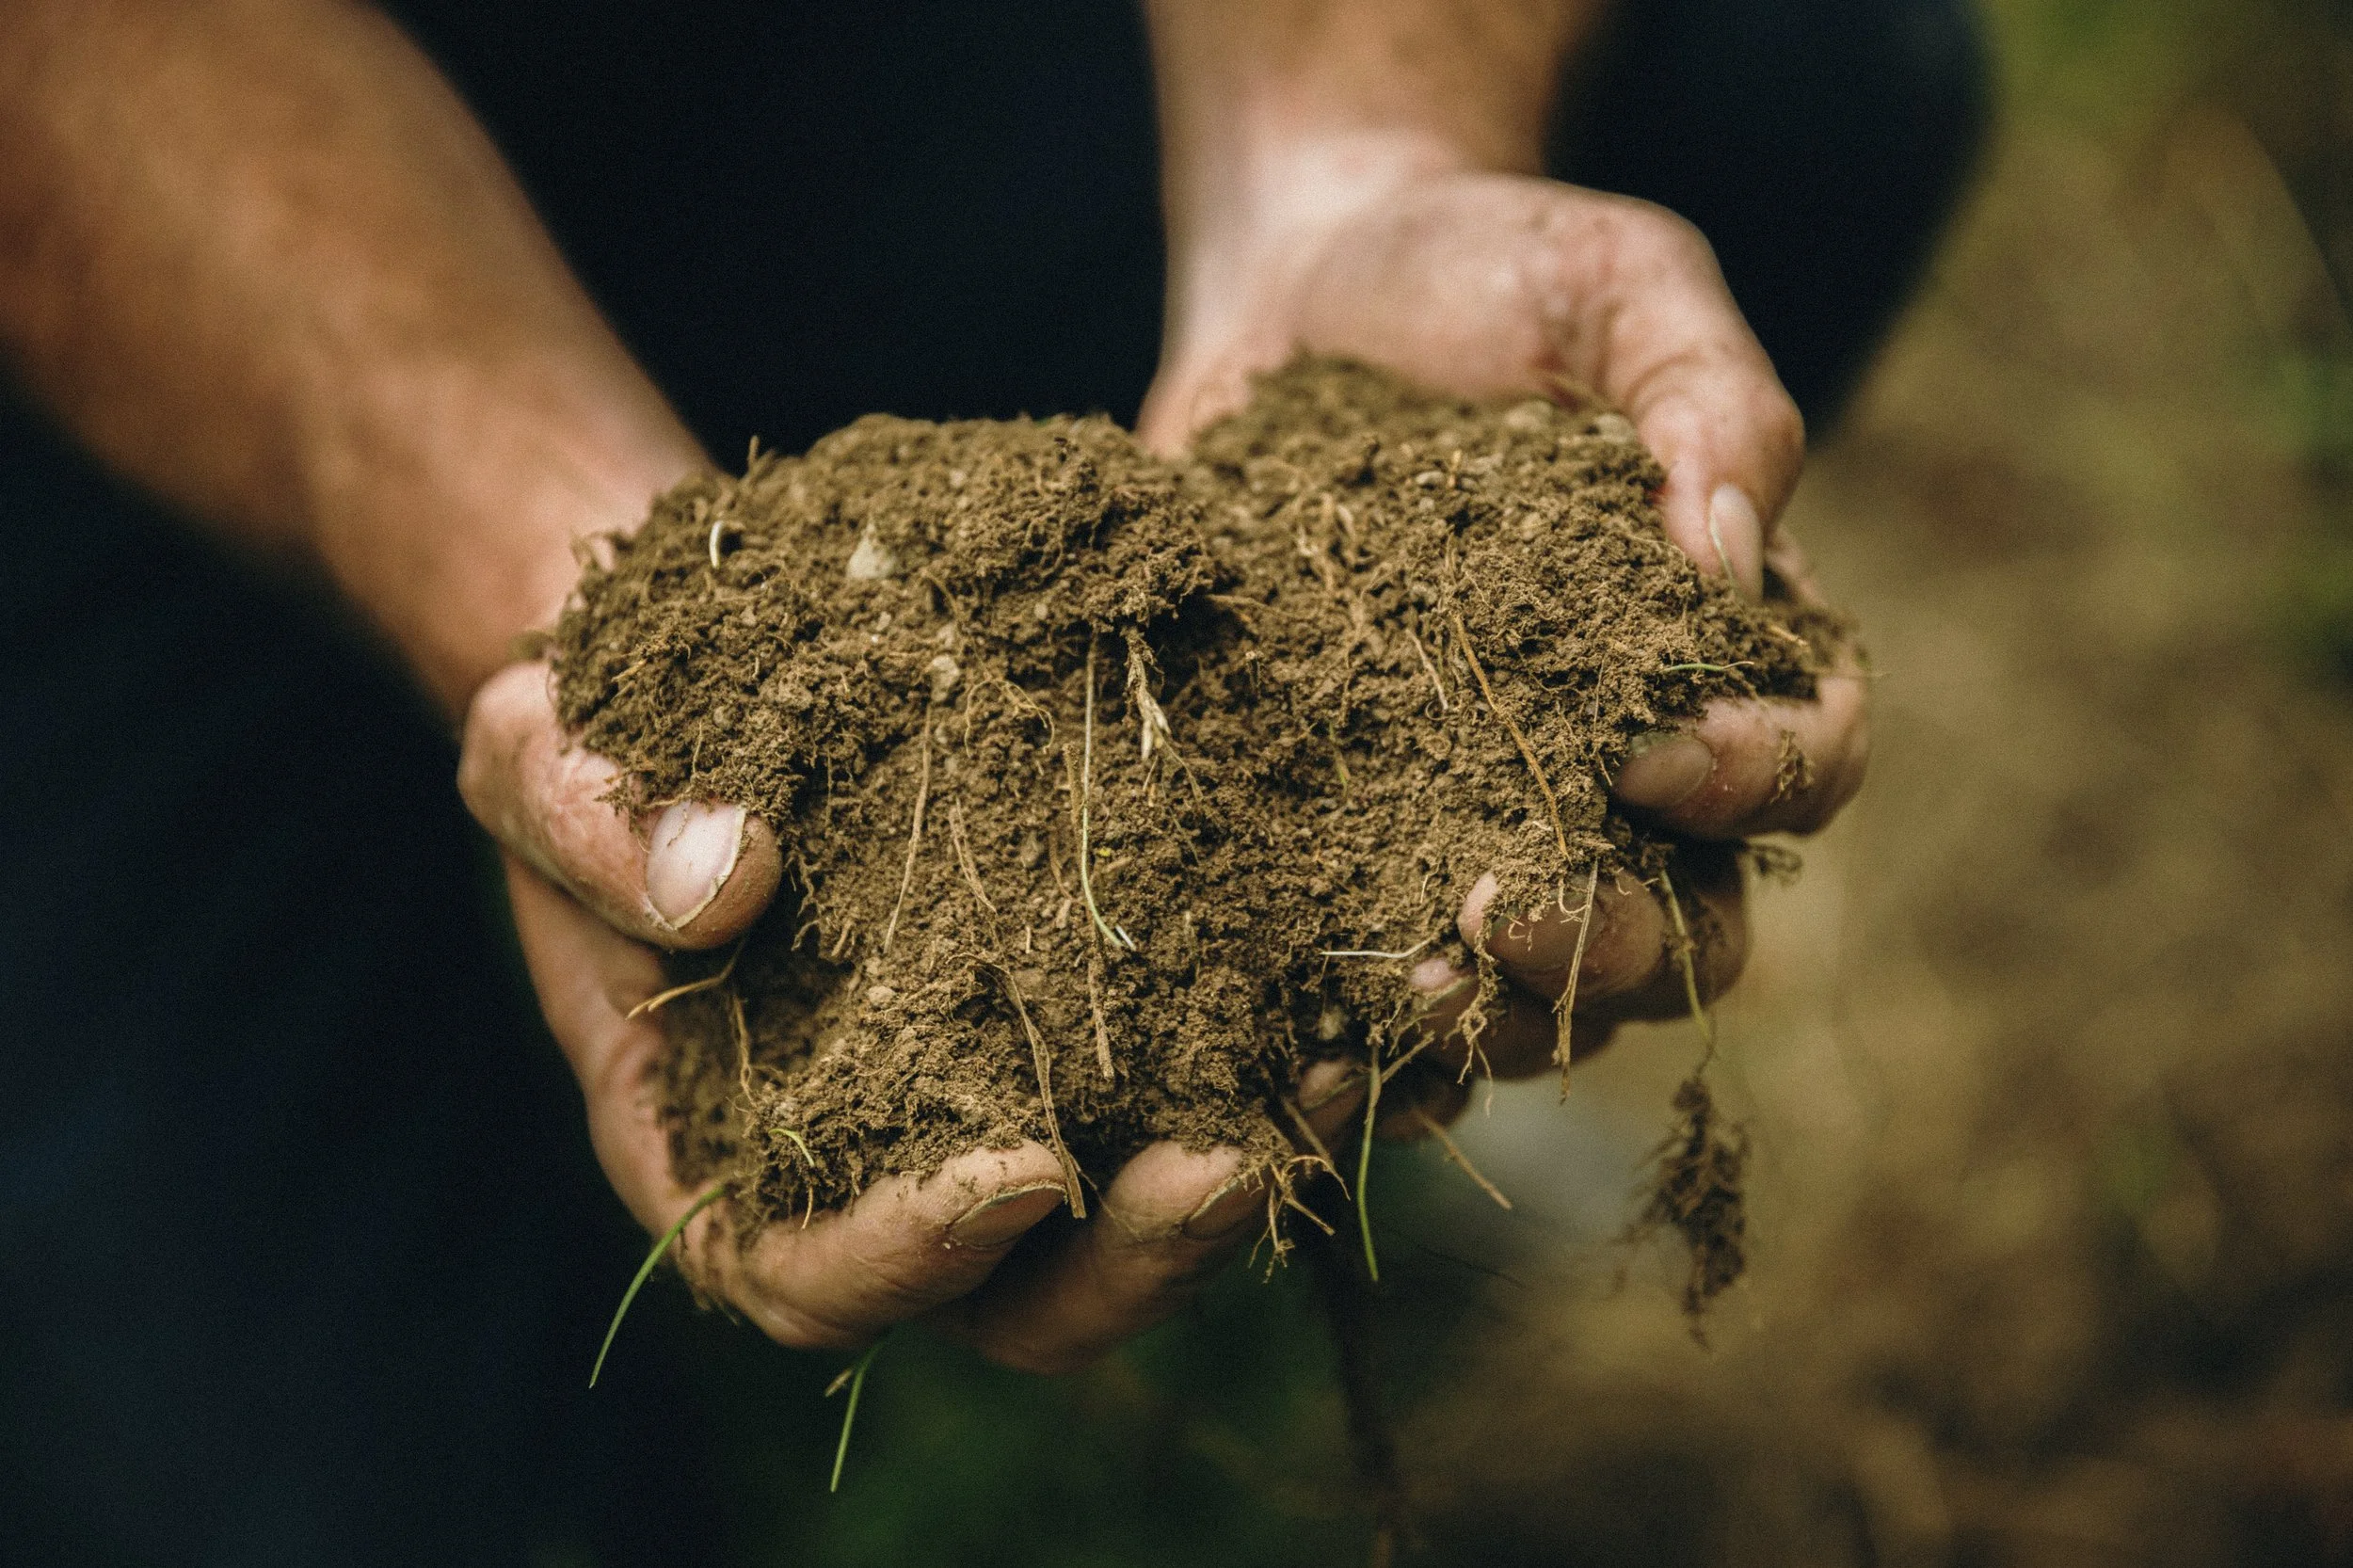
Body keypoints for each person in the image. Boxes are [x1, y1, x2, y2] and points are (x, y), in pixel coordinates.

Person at [0, 0, 1982, 1560]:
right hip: (121, 306)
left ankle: (1310, 1060)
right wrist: (571, 602)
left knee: (1788, 61)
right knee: (299, 1496)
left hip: (815, 63)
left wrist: (1347, 153)